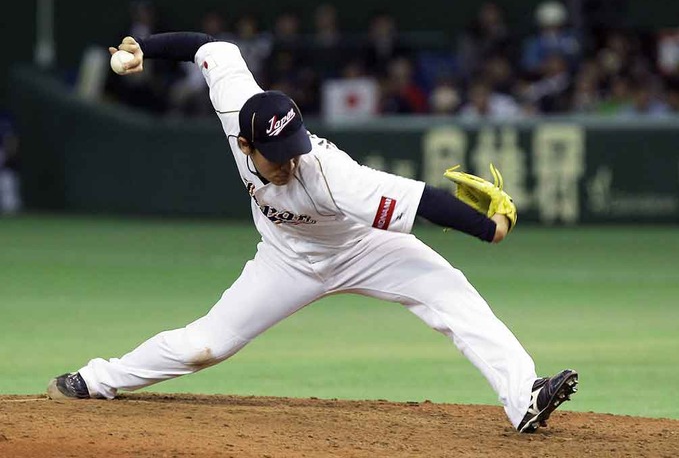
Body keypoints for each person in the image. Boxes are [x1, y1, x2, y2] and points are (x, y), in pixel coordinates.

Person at [47, 32, 578, 433]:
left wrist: (491, 229)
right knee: (204, 346)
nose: (288, 162)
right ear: (246, 146)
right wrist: (147, 46)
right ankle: (97, 380)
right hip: (286, 260)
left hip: (363, 246)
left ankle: (523, 398)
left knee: (449, 293)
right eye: (275, 156)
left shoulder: (330, 173)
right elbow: (210, 47)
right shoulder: (236, 106)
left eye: (292, 147)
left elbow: (426, 201)